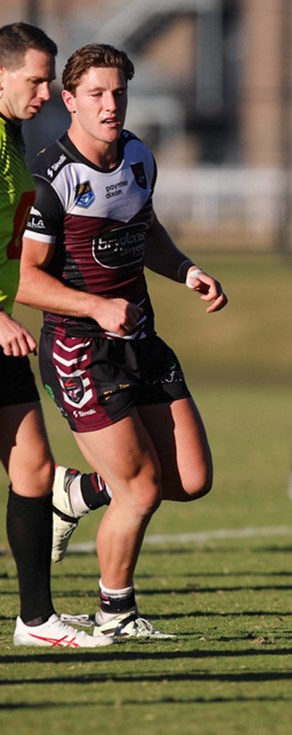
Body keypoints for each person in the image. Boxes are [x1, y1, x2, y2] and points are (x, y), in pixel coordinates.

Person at [17, 43, 228, 640]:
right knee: (140, 487)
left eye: (119, 93)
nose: (111, 106)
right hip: (79, 349)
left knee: (190, 479)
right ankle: (116, 614)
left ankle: (78, 493)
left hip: (141, 337)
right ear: (70, 101)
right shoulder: (51, 178)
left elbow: (145, 229)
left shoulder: (138, 156)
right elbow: (23, 280)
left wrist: (186, 269)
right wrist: (94, 306)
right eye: (96, 95)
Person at [0, 22, 111, 647]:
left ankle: (36, 621)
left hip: (4, 336)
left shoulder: (12, 137)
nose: (45, 92)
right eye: (36, 79)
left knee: (35, 469)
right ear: (2, 74)